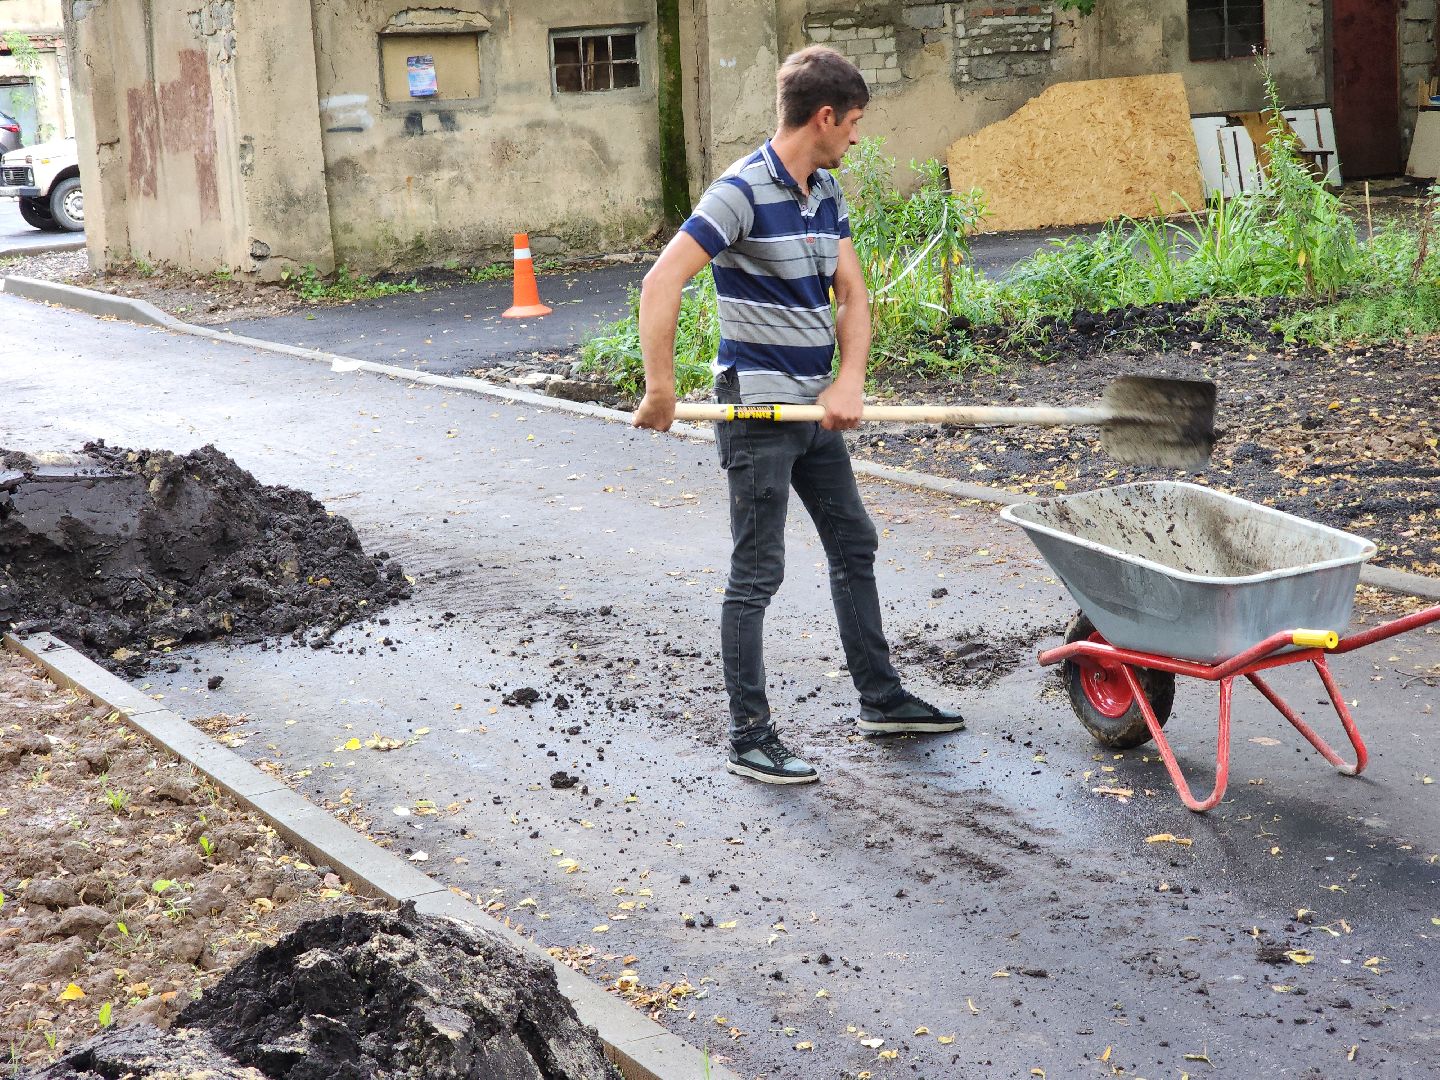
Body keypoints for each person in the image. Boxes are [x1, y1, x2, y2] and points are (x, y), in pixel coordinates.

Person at [633, 46, 963, 785]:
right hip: (758, 412)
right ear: (825, 116)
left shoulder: (824, 191)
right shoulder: (740, 192)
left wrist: (849, 381)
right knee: (758, 571)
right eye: (855, 123)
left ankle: (881, 700)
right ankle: (749, 735)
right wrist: (660, 388)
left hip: (814, 406)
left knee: (854, 542)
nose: (858, 137)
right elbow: (661, 282)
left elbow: (853, 294)